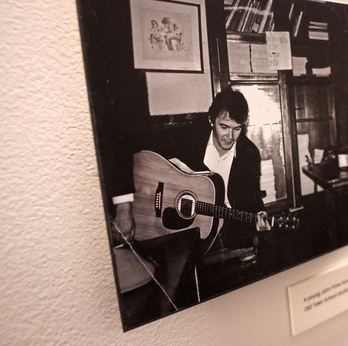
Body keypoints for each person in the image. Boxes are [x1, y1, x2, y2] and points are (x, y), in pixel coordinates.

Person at [111, 88, 271, 250]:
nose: (230, 136)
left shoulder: (249, 154)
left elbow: (252, 197)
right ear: (211, 120)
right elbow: (127, 144)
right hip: (178, 231)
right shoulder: (188, 137)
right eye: (224, 127)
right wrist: (123, 204)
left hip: (224, 233)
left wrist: (260, 212)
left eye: (237, 129)